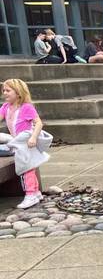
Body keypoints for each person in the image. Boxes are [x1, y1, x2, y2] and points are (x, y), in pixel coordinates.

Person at [0, 79, 48, 209]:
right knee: (27, 167)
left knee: (26, 168)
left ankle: (31, 194)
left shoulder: (26, 107)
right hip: (17, 142)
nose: (5, 93)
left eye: (8, 90)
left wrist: (33, 137)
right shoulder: (5, 107)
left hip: (26, 142)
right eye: (4, 90)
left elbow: (38, 123)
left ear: (18, 92)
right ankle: (36, 192)